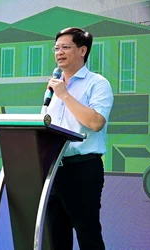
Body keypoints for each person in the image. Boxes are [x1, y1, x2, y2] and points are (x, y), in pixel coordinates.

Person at [43, 27, 113, 250]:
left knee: (88, 236)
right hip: (53, 170)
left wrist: (65, 95)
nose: (59, 52)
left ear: (82, 50)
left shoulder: (97, 83)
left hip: (83, 169)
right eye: (56, 48)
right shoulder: (54, 86)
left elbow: (96, 122)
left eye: (65, 47)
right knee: (54, 240)